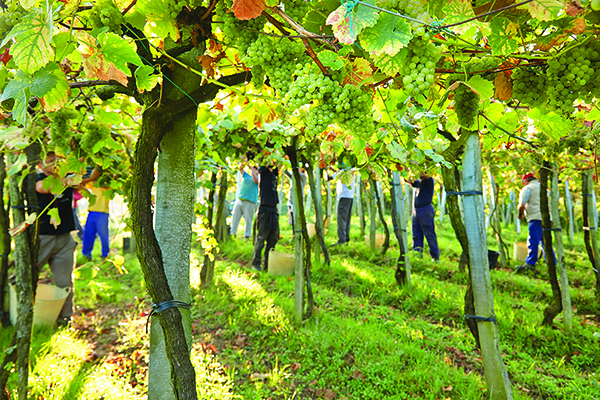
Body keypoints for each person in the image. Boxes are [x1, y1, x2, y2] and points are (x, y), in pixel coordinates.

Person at [36, 152, 78, 326]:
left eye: (57, 160)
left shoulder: (67, 178)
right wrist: (70, 178)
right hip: (42, 238)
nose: (55, 164)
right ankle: (18, 307)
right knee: (27, 274)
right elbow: (44, 188)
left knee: (64, 281)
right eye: (50, 161)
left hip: (64, 238)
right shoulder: (37, 180)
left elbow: (90, 178)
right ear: (39, 164)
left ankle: (65, 318)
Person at [251, 161, 279, 272]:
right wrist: (272, 156)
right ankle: (256, 263)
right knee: (261, 238)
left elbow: (279, 166)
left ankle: (268, 264)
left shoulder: (273, 175)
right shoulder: (264, 172)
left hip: (273, 210)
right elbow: (265, 164)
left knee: (273, 239)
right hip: (264, 210)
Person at [517, 172, 543, 272]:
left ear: (526, 181)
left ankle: (530, 263)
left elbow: (522, 204)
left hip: (535, 217)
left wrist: (520, 214)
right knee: (544, 242)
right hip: (547, 218)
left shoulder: (528, 188)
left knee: (533, 240)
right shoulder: (544, 188)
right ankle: (552, 262)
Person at [411, 172, 440, 261]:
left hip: (425, 210)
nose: (421, 173)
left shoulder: (429, 181)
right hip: (417, 211)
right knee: (416, 234)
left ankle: (435, 257)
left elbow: (426, 176)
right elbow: (412, 182)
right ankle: (417, 255)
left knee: (429, 234)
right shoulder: (420, 183)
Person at [230, 160, 259, 240]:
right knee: (235, 217)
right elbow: (241, 169)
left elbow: (255, 181)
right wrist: (245, 161)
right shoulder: (247, 176)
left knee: (248, 220)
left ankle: (247, 236)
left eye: (256, 169)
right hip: (240, 200)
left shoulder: (258, 178)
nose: (255, 170)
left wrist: (253, 169)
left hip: (250, 202)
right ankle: (232, 233)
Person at [82, 184, 111, 260]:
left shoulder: (108, 183)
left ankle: (105, 255)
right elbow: (84, 185)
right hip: (91, 212)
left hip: (103, 213)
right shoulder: (94, 183)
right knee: (88, 234)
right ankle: (86, 254)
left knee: (104, 235)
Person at [333, 169, 355, 246]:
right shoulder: (352, 170)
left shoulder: (343, 171)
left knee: (341, 218)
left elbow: (333, 177)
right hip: (350, 197)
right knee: (347, 218)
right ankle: (346, 237)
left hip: (344, 197)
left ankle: (342, 240)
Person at [285, 167, 307, 239]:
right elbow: (288, 174)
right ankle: (294, 234)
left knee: (297, 217)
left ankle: (298, 233)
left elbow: (294, 174)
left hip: (298, 199)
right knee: (292, 217)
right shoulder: (294, 176)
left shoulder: (302, 176)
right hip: (292, 199)